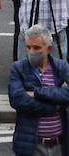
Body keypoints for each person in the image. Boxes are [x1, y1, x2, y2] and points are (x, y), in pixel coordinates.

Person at [9, 23, 69, 156]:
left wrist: (37, 93)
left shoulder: (61, 67)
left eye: (36, 48)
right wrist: (56, 105)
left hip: (60, 146)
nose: (31, 52)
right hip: (31, 146)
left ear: (49, 48)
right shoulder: (18, 68)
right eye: (28, 47)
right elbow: (18, 100)